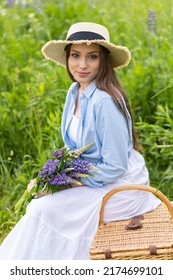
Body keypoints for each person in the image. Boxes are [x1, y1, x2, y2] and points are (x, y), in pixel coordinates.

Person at [0, 22, 161, 260]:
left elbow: (115, 166)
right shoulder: (74, 91)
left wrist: (69, 183)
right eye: (75, 55)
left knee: (43, 209)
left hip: (118, 184)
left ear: (103, 60)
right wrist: (52, 177)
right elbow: (74, 149)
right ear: (67, 58)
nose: (82, 65)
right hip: (92, 174)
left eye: (92, 57)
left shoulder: (105, 102)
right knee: (40, 204)